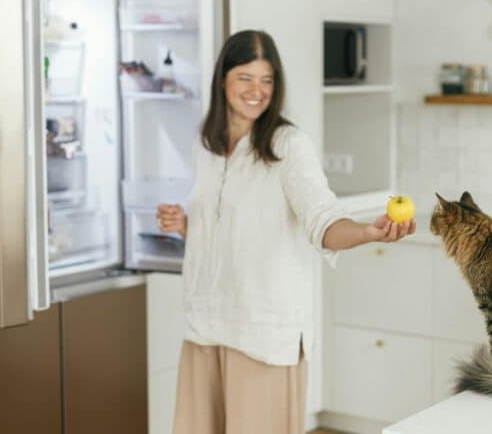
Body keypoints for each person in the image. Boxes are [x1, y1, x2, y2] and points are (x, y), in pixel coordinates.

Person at [156, 30, 415, 434]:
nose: (256, 91)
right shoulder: (205, 145)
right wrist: (187, 225)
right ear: (223, 78)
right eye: (245, 78)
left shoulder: (288, 146)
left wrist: (367, 232)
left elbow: (322, 219)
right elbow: (231, 230)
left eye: (267, 80)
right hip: (206, 326)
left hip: (261, 333)